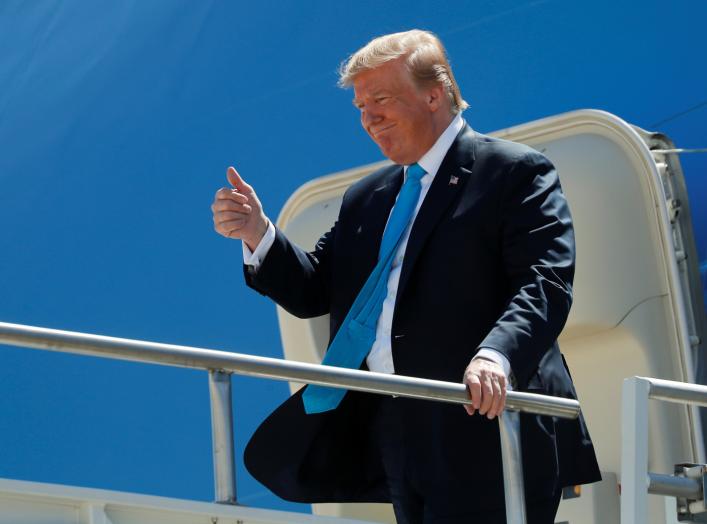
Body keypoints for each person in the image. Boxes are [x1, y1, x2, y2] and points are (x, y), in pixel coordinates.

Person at [211, 29, 600, 524]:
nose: (368, 117)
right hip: (394, 423)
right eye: (359, 106)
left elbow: (544, 283)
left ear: (434, 93)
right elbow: (313, 291)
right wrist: (258, 233)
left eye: (381, 99)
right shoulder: (367, 197)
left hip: (482, 415)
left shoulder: (514, 172)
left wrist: (496, 355)